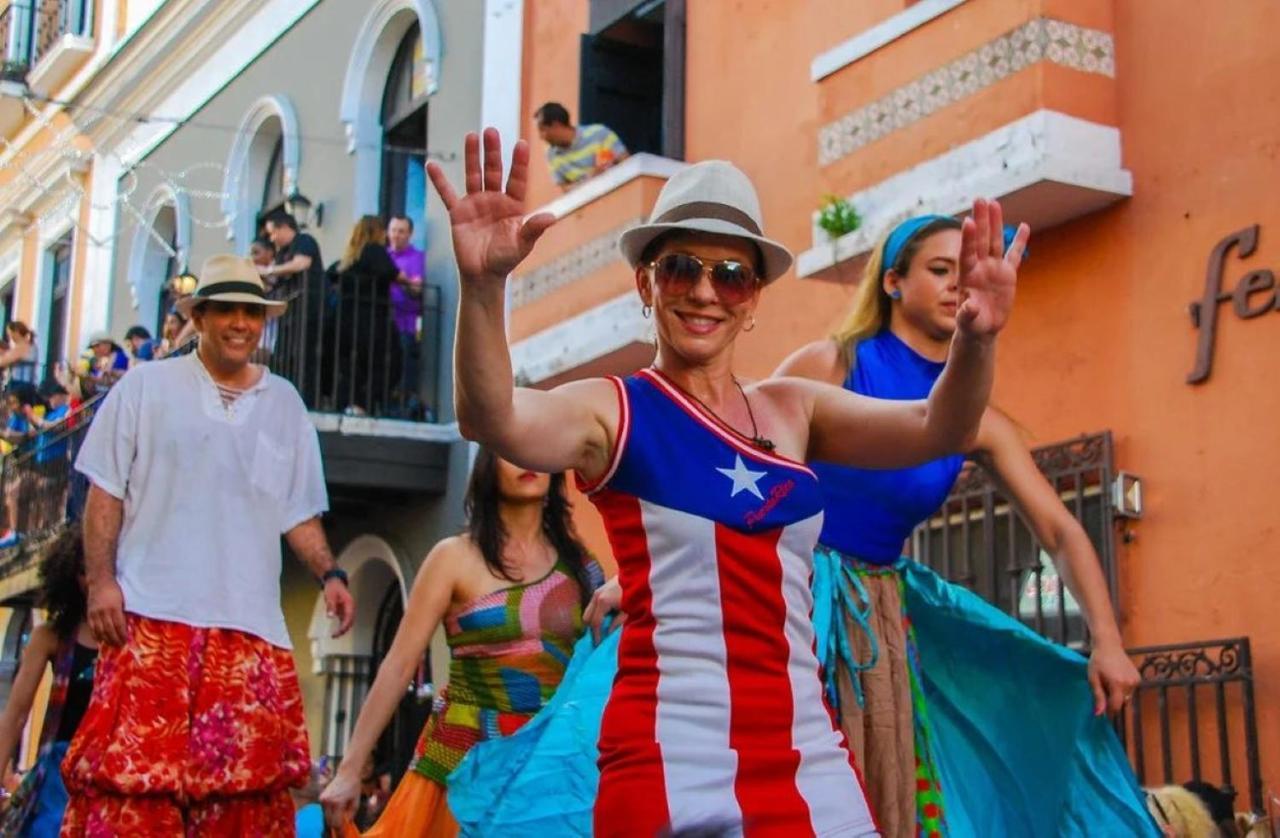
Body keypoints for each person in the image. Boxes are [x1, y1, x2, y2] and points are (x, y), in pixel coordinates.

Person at [425, 128, 1025, 836]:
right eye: (681, 268)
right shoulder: (613, 410)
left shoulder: (793, 409)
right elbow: (491, 417)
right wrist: (483, 286)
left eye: (732, 274)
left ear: (754, 298)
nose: (706, 291)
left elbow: (939, 427)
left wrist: (976, 342)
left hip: (806, 754)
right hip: (668, 759)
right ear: (645, 283)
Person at [773, 214, 1153, 837]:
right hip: (784, 597)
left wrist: (1108, 640)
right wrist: (651, 572)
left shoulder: (976, 418)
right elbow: (732, 463)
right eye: (940, 270)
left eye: (968, 272)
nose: (957, 285)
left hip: (876, 614)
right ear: (893, 282)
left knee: (878, 791)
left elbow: (1060, 531)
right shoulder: (830, 363)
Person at [60, 254, 356, 834]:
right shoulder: (146, 386)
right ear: (199, 317)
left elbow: (296, 512)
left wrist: (332, 575)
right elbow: (105, 493)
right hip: (151, 617)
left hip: (249, 630)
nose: (242, 322)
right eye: (227, 310)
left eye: (252, 311)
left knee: (243, 799)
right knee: (135, 791)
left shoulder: (285, 405)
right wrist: (102, 583)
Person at [320, 446, 603, 836]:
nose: (529, 462)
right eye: (511, 451)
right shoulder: (453, 557)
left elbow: (607, 668)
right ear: (487, 464)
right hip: (465, 761)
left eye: (537, 451)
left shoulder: (583, 567)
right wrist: (350, 769)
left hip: (550, 768)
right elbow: (399, 664)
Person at [0, 526, 96, 837]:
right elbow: (15, 714)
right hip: (59, 776)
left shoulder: (137, 640)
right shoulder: (51, 636)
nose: (91, 579)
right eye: (83, 570)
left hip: (110, 772)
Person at [330, 215, 400, 415]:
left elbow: (331, 276)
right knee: (389, 362)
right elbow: (394, 274)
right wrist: (413, 284)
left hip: (344, 321)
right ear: (376, 231)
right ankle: (363, 404)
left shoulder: (348, 259)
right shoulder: (374, 251)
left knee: (352, 365)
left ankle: (347, 404)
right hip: (370, 321)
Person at [262, 210, 329, 407]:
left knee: (304, 354)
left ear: (284, 227)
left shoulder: (304, 240)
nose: (272, 238)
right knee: (285, 354)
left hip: (310, 308)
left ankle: (305, 399)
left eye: (273, 232)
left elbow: (302, 263)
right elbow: (276, 279)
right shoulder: (282, 254)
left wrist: (269, 270)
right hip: (290, 311)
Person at [533, 102, 628, 190]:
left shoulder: (600, 133)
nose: (541, 137)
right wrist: (589, 178)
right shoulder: (551, 155)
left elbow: (626, 161)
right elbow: (566, 189)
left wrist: (609, 170)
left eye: (542, 130)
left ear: (556, 125)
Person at [386, 215, 425, 417]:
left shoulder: (417, 257)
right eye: (393, 230)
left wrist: (405, 280)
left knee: (404, 365)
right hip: (384, 323)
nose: (396, 235)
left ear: (409, 234)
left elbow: (417, 289)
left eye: (401, 231)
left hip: (406, 323)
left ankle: (401, 406)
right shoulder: (384, 256)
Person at [0, 381, 41, 549]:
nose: (12, 406)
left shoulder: (35, 413)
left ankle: (23, 532)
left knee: (20, 496)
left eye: (14, 402)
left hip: (33, 462)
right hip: (15, 462)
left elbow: (25, 436)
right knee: (11, 497)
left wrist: (4, 433)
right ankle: (15, 532)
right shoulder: (15, 417)